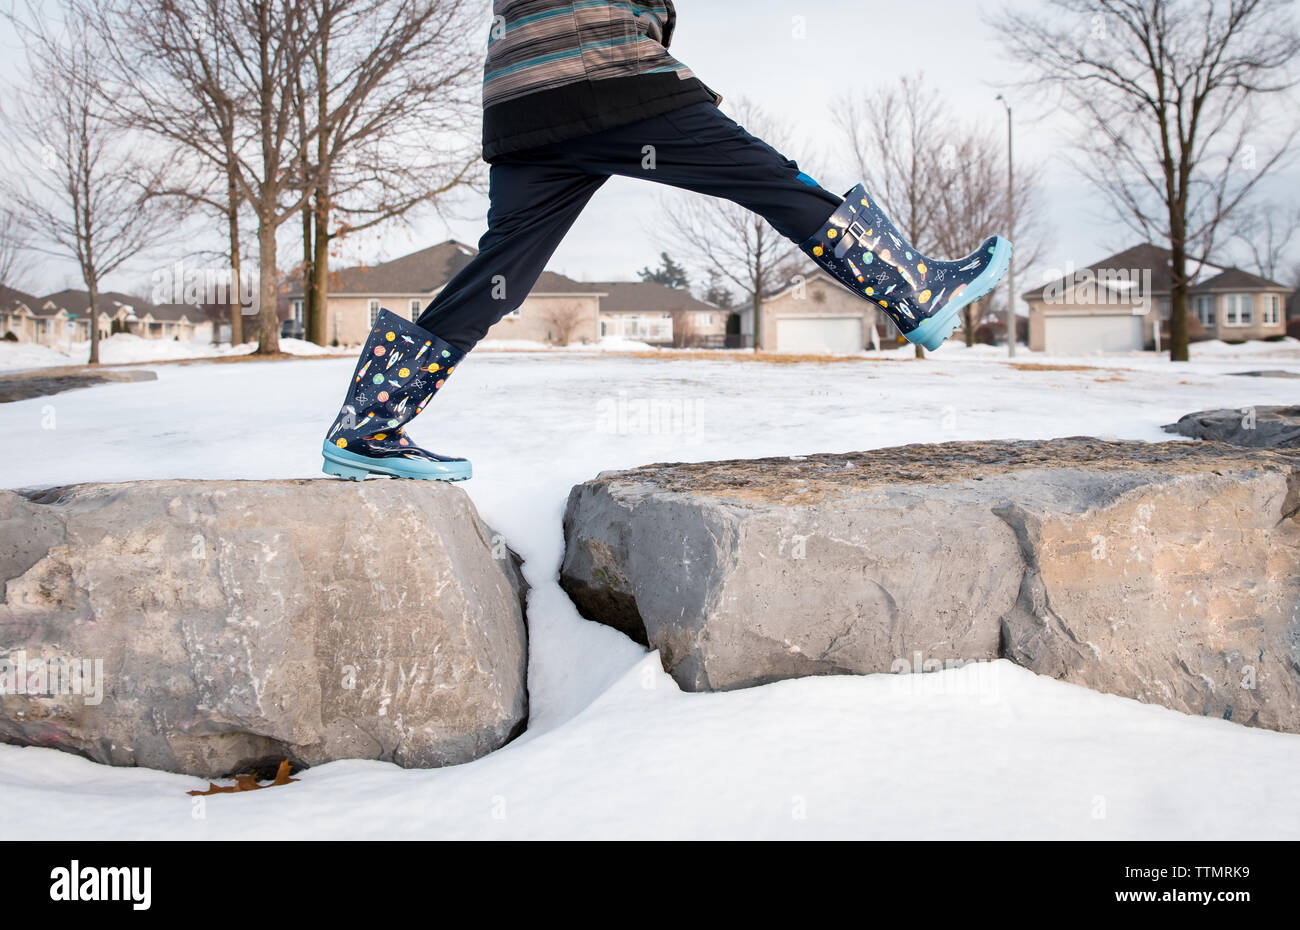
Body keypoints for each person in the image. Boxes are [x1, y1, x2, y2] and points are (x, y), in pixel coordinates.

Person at [321, 0, 1012, 482]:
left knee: (502, 269)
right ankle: (910, 288)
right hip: (603, 74)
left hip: (523, 100)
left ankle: (369, 420)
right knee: (770, 179)